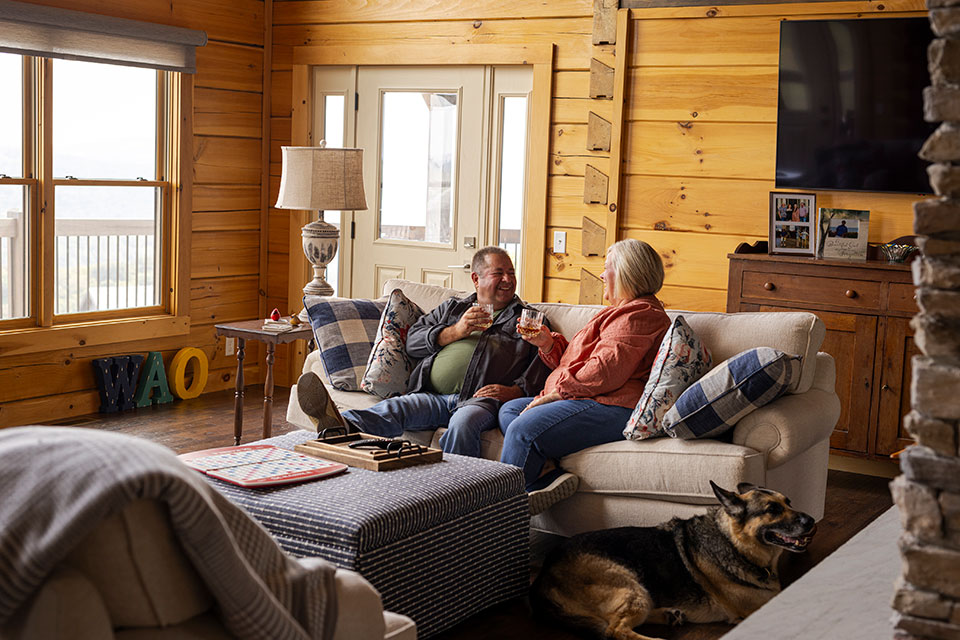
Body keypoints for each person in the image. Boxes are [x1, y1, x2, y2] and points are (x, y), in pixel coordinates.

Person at [297, 246, 551, 458]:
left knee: (462, 425)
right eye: (499, 273)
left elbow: (545, 362)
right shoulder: (454, 308)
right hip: (432, 395)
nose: (508, 279)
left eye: (511, 273)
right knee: (393, 409)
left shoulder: (527, 319)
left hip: (479, 401)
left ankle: (460, 500)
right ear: (476, 279)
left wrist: (516, 390)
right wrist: (456, 331)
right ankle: (336, 429)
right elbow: (413, 342)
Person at [498, 239, 671, 514]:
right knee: (510, 409)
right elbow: (582, 362)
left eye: (607, 268)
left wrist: (556, 394)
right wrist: (547, 343)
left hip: (613, 404)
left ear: (627, 272)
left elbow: (605, 371)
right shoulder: (618, 312)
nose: (602, 275)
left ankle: (499, 520)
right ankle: (546, 476)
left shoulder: (641, 315)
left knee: (523, 429)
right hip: (593, 395)